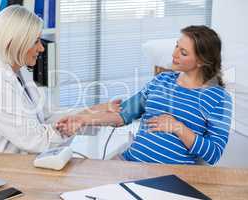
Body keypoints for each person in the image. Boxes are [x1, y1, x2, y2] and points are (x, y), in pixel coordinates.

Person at [56, 25, 232, 165]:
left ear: (201, 61)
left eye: (183, 52)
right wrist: (82, 119)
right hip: (131, 161)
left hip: (173, 175)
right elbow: (123, 113)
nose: (174, 54)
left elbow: (214, 154)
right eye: (176, 46)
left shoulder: (219, 98)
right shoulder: (162, 80)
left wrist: (178, 128)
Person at [0, 5, 71, 153]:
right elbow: (37, 142)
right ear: (14, 43)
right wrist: (75, 126)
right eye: (36, 41)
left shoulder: (19, 71)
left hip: (16, 163)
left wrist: (90, 114)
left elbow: (46, 116)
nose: (41, 48)